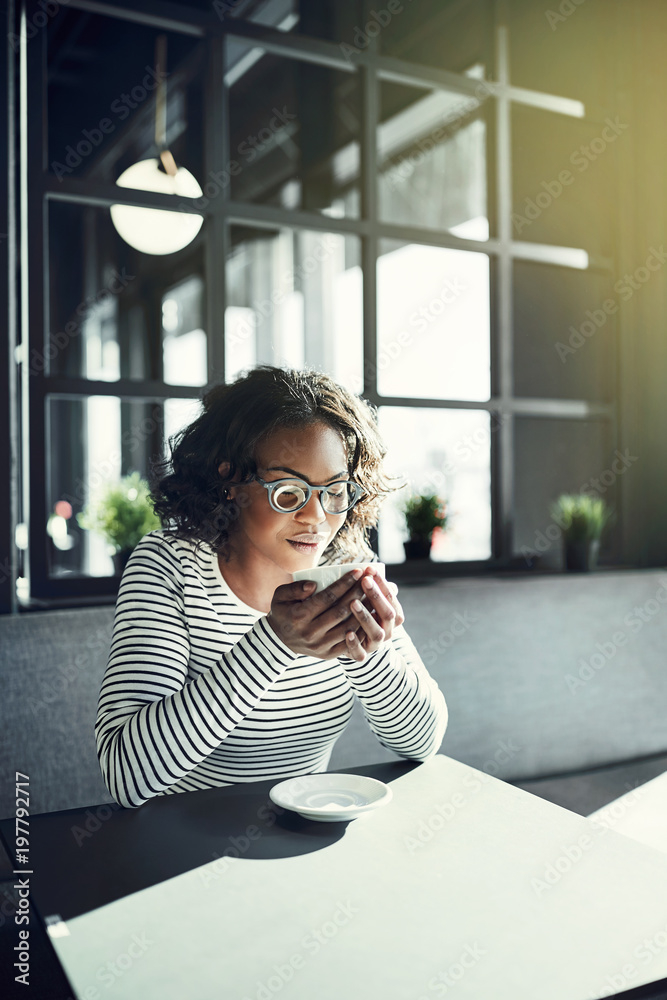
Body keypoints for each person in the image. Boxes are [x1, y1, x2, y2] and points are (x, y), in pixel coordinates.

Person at [95, 365, 448, 808]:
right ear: (231, 481)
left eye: (335, 491)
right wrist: (274, 642)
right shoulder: (171, 566)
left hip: (303, 832)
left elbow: (423, 742)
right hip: (180, 840)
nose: (317, 517)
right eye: (288, 491)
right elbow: (127, 775)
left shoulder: (348, 569)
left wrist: (367, 652)